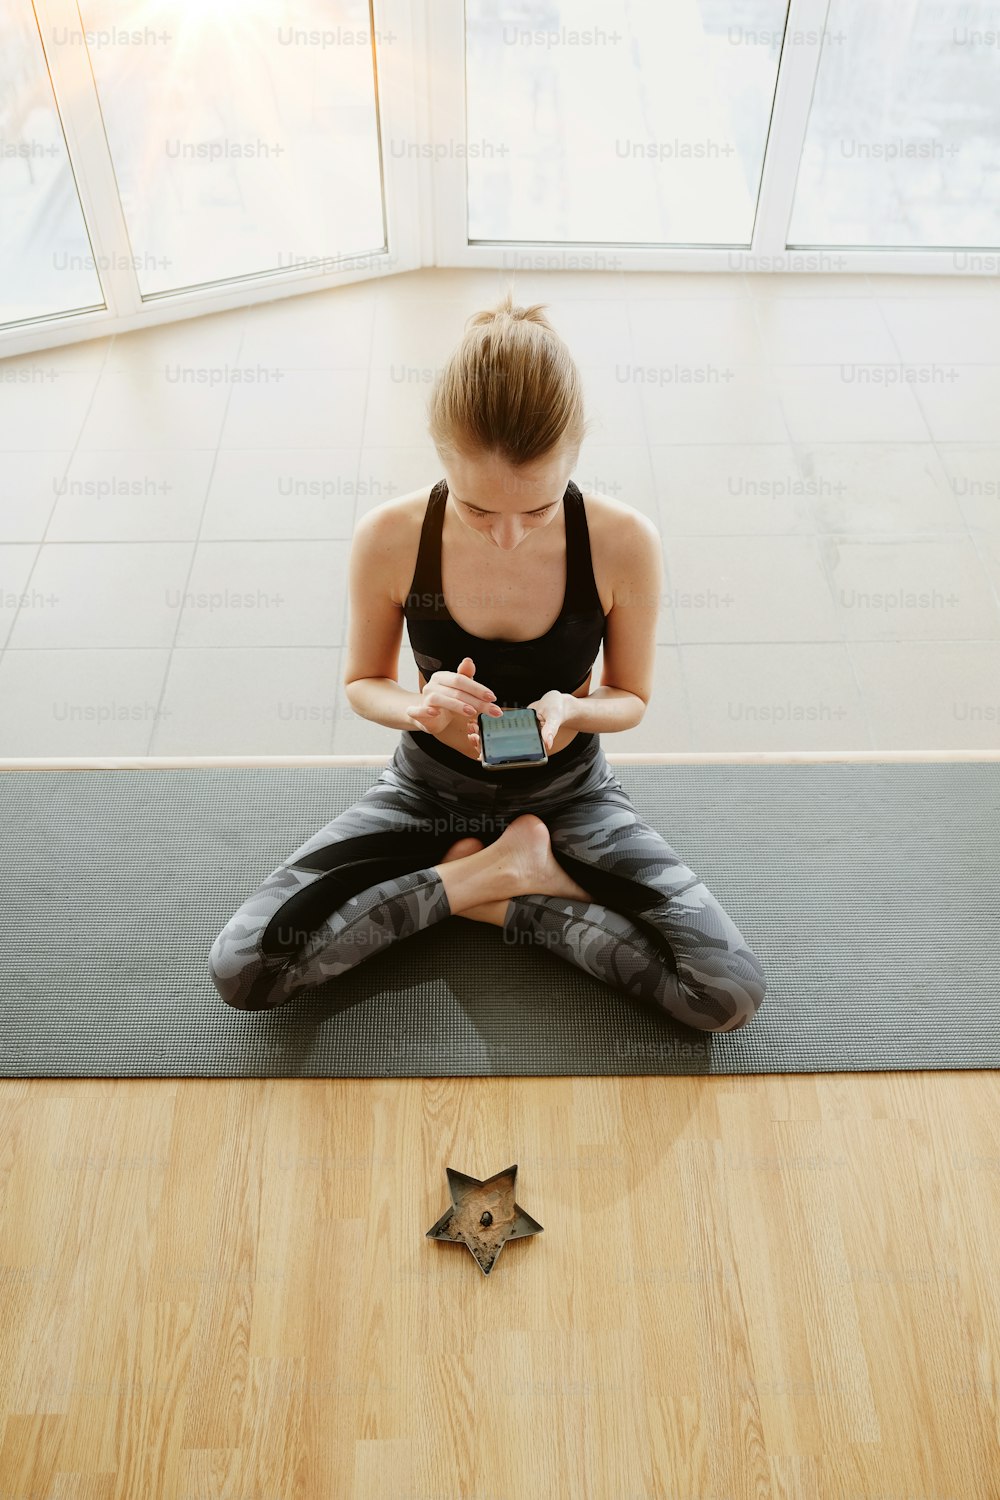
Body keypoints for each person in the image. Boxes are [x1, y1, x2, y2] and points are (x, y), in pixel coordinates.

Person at [208, 290, 767, 1031]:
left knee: (725, 991)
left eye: (536, 511)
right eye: (478, 510)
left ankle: (483, 886)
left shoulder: (625, 541)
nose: (508, 537)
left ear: (575, 456)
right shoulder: (390, 535)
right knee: (245, 968)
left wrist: (574, 709)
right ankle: (492, 877)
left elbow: (629, 697)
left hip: (571, 797)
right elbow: (361, 682)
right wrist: (417, 707)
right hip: (423, 795)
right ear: (441, 458)